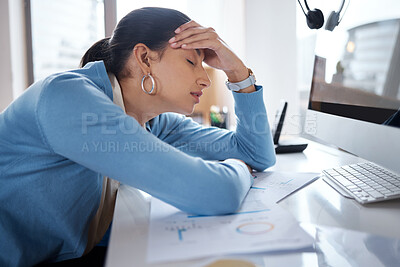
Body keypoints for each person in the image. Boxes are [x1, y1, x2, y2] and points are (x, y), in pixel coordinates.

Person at [0, 7, 275, 266]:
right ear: (144, 58)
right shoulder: (67, 98)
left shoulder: (151, 121)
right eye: (192, 62)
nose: (205, 78)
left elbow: (255, 153)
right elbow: (218, 192)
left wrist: (238, 73)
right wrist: (239, 169)